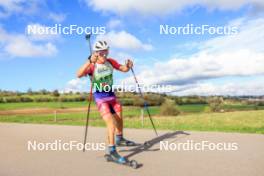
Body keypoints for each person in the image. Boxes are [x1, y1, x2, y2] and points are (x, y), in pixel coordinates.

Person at [77, 40, 136, 164]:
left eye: (106, 53)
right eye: (102, 54)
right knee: (110, 123)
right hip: (100, 98)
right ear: (96, 53)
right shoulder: (92, 65)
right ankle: (112, 151)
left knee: (119, 118)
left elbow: (123, 69)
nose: (104, 56)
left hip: (111, 96)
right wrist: (89, 61)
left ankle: (119, 138)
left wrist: (128, 66)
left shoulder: (110, 62)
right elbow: (78, 74)